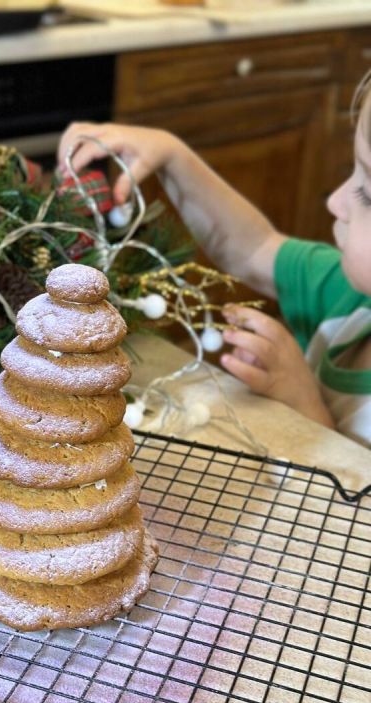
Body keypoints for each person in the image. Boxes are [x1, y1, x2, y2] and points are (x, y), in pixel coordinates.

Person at [57, 70, 371, 447]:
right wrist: (172, 154)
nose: (336, 200)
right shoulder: (347, 294)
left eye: (367, 193)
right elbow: (254, 248)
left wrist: (305, 408)